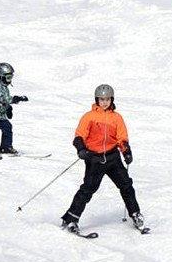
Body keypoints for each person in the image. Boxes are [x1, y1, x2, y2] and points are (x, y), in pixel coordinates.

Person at [62, 82, 147, 234]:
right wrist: (81, 149)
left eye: (107, 99)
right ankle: (70, 219)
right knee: (88, 189)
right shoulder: (89, 117)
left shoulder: (117, 118)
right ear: (96, 100)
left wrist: (126, 151)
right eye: (101, 99)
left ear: (112, 100)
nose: (104, 102)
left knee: (126, 185)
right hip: (94, 158)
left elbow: (122, 137)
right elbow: (79, 135)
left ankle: (135, 213)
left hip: (113, 157)